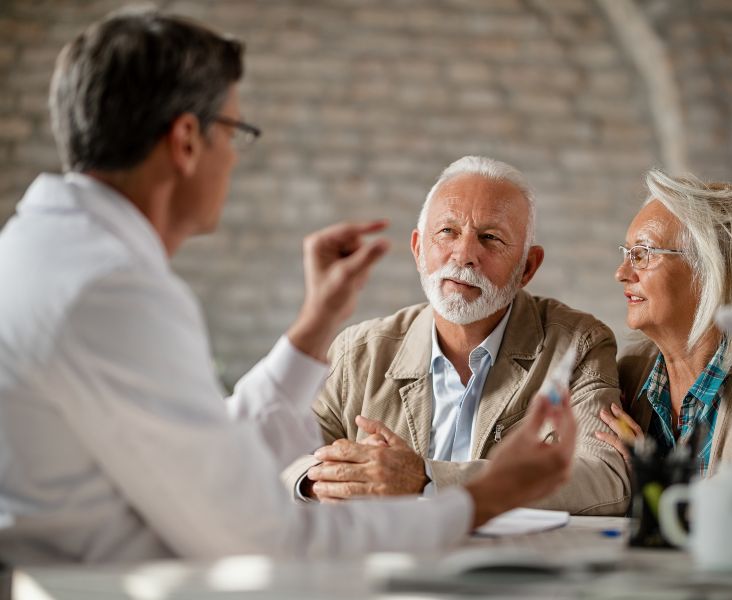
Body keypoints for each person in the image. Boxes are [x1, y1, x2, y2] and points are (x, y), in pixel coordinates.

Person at [0, 9, 578, 565]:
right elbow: (265, 534)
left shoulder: (38, 251)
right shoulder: (114, 291)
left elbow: (211, 456)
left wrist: (311, 329)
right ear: (186, 141)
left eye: (490, 239)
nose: (233, 156)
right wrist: (481, 497)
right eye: (235, 130)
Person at [283, 156, 630, 516]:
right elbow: (279, 457)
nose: (464, 255)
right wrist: (318, 481)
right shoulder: (358, 351)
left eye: (491, 238)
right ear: (418, 249)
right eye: (447, 232)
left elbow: (604, 479)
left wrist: (427, 478)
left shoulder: (578, 346)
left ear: (527, 267)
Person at [595, 170, 732, 476]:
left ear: (710, 270)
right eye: (627, 253)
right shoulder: (630, 373)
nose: (621, 273)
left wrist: (653, 479)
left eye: (642, 254)